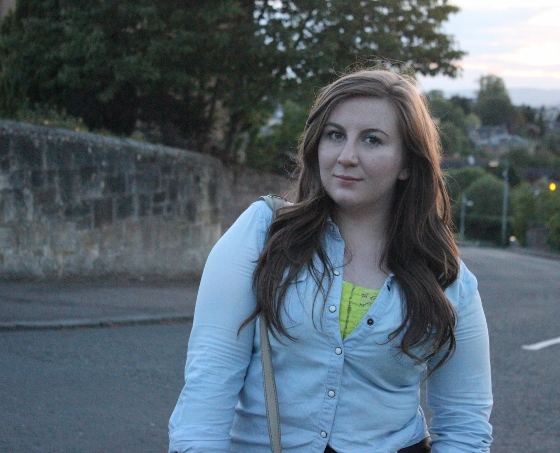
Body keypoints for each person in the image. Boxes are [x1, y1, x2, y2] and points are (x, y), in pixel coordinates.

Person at [169, 69, 493, 453]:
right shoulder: (263, 233)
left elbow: (465, 425)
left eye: (372, 140)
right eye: (335, 135)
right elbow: (208, 384)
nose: (346, 157)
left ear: (407, 163)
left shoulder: (446, 279)